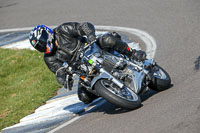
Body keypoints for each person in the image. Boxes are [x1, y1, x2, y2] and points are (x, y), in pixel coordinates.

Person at [29, 22, 146, 104]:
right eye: (39, 46)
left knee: (108, 39)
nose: (42, 46)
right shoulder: (49, 58)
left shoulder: (63, 30)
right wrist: (64, 79)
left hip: (92, 48)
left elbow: (84, 26)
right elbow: (58, 71)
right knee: (84, 97)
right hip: (82, 69)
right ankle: (110, 91)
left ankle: (133, 53)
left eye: (42, 42)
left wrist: (90, 35)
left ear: (47, 34)